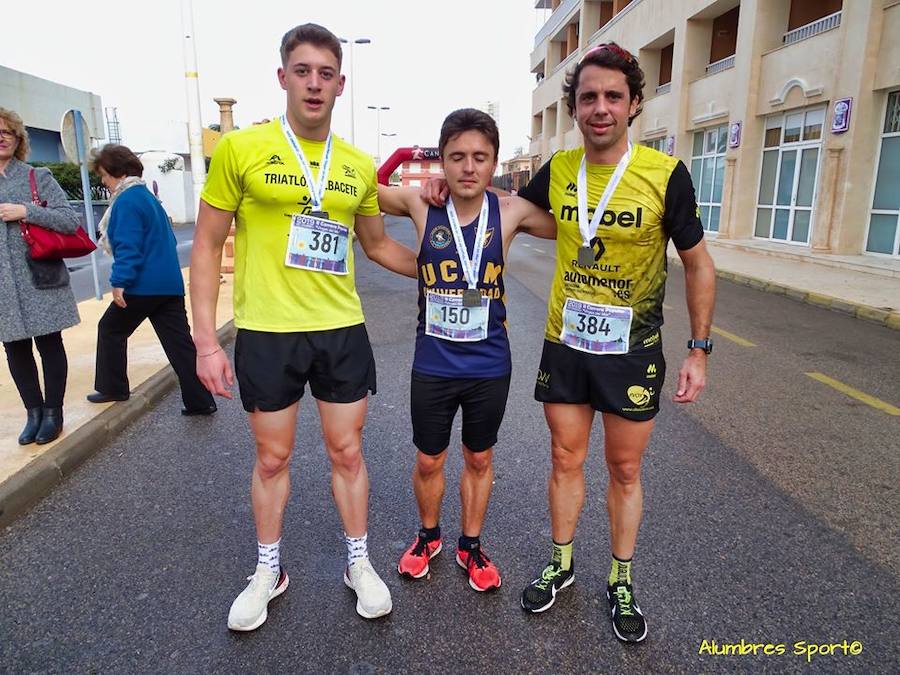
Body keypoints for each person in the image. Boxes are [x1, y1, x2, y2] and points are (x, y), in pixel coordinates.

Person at [190, 23, 417, 631]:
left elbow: (376, 245)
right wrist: (206, 340)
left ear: (341, 84)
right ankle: (268, 571)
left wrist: (443, 273)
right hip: (267, 330)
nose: (314, 84)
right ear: (283, 76)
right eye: (303, 71)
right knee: (271, 458)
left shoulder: (355, 164)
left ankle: (358, 563)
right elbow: (208, 244)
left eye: (325, 74)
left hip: (340, 327)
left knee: (348, 451)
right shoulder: (242, 150)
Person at [515, 43, 716, 643]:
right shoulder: (558, 168)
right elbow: (509, 216)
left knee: (624, 469)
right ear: (574, 108)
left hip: (632, 348)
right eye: (588, 98)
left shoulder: (663, 174)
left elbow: (699, 265)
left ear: (633, 105)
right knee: (564, 460)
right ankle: (562, 564)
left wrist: (699, 348)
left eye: (612, 97)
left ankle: (620, 578)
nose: (599, 108)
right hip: (566, 342)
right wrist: (447, 193)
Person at [377, 109, 556, 592]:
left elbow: (571, 220)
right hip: (432, 363)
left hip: (489, 364)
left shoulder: (511, 211)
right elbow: (360, 189)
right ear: (444, 162)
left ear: (495, 161)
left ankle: (470, 545)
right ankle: (428, 536)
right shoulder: (421, 205)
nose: (468, 167)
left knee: (479, 458)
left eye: (480, 157)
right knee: (428, 460)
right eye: (457, 157)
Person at [85, 144, 216, 416]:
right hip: (169, 284)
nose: (103, 181)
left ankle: (113, 387)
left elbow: (129, 246)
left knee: (110, 328)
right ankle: (200, 401)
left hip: (142, 285)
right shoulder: (147, 196)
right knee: (180, 346)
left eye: (104, 175)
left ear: (116, 172)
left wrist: (119, 281)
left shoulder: (127, 200)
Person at [0, 107, 81, 445]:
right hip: (4, 287)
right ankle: (33, 413)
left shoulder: (38, 176)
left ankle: (53, 412)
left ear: (18, 139)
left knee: (49, 345)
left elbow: (69, 220)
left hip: (40, 278)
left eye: (7, 132)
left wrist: (27, 211)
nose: (2, 137)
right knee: (14, 349)